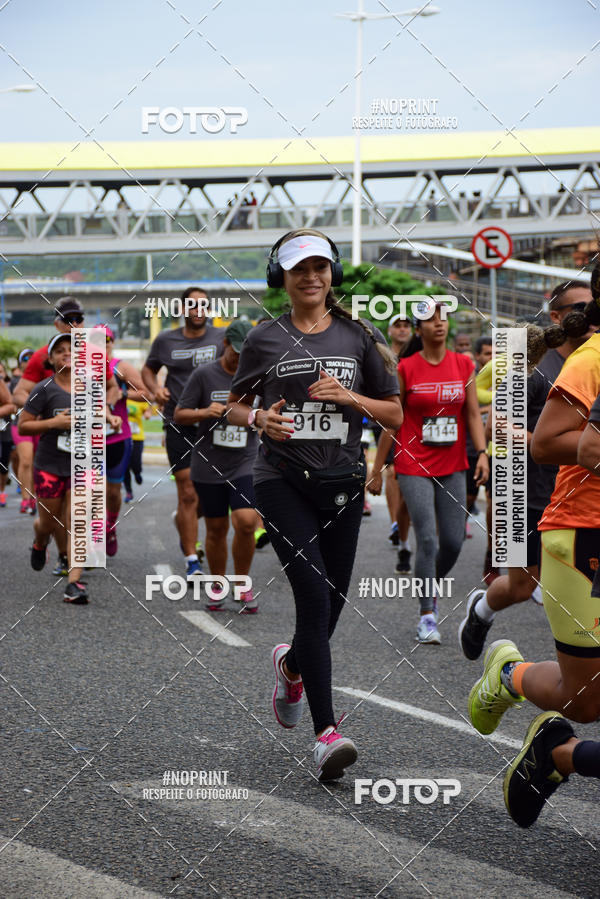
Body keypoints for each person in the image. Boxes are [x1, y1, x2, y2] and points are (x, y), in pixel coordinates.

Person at [227, 228, 402, 780]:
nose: (311, 277)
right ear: (281, 277)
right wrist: (259, 418)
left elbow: (394, 415)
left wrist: (351, 397)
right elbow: (230, 406)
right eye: (299, 269)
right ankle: (328, 733)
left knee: (334, 601)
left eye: (320, 267)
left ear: (333, 275)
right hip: (280, 480)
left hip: (342, 483)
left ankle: (291, 665)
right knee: (313, 597)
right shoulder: (263, 339)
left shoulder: (359, 335)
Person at [467, 288, 600, 828]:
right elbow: (539, 442)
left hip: (554, 501)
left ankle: (556, 752)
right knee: (518, 586)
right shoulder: (582, 363)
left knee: (588, 703)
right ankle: (509, 672)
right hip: (577, 523)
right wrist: (498, 471)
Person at [459, 283, 595, 660]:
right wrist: (549, 441)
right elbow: (496, 426)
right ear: (557, 316)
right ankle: (481, 609)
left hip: (573, 498)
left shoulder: (592, 361)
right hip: (522, 492)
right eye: (582, 306)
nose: (591, 314)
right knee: (521, 586)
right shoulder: (533, 363)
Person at [370, 301, 489, 644]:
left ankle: (428, 585)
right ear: (419, 330)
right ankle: (427, 614)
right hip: (413, 463)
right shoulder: (405, 367)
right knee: (426, 538)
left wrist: (481, 453)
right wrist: (378, 470)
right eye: (430, 320)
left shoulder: (463, 363)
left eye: (443, 317)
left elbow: (470, 415)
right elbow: (391, 422)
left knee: (452, 541)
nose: (439, 323)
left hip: (453, 464)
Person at [12, 299, 119, 574]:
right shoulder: (41, 357)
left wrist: (104, 411)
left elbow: (111, 388)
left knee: (80, 508)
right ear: (56, 323)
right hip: (49, 436)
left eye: (78, 320)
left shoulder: (95, 353)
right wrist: (45, 409)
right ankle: (53, 547)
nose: (74, 326)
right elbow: (19, 393)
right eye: (67, 320)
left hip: (86, 443)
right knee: (51, 519)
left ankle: (74, 564)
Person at [175, 320, 259, 613]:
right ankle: (218, 582)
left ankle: (242, 582)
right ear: (225, 345)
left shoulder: (258, 374)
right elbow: (180, 414)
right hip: (209, 464)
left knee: (247, 522)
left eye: (246, 353)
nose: (240, 359)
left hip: (246, 461)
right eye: (236, 352)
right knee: (216, 528)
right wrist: (203, 412)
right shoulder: (204, 374)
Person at [142, 287, 225, 580]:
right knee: (188, 491)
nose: (198, 309)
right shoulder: (166, 340)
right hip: (179, 422)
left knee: (212, 494)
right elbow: (148, 370)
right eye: (192, 305)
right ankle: (192, 560)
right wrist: (155, 390)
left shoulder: (221, 338)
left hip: (217, 425)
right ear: (182, 309)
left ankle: (184, 520)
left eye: (204, 304)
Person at [97, 325, 148, 558]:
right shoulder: (81, 367)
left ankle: (110, 526)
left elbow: (145, 393)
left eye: (106, 341)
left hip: (118, 437)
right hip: (89, 439)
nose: (102, 345)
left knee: (112, 490)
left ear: (112, 343)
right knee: (89, 490)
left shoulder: (121, 366)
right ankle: (91, 536)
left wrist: (123, 393)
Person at [370, 314, 413, 568]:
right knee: (393, 470)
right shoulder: (380, 354)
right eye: (398, 325)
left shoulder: (419, 352)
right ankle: (395, 522)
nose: (402, 329)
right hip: (388, 419)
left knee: (406, 471)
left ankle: (404, 520)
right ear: (390, 330)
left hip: (415, 422)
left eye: (407, 325)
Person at [123, 399, 152, 503]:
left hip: (137, 437)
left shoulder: (139, 399)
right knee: (125, 466)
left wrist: (148, 414)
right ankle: (128, 492)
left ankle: (137, 472)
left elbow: (147, 411)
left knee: (136, 462)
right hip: (123, 437)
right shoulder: (121, 396)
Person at [0, 371, 16, 507]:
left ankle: (1, 491)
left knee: (3, 464)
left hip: (3, 430)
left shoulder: (2, 384)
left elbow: (11, 406)